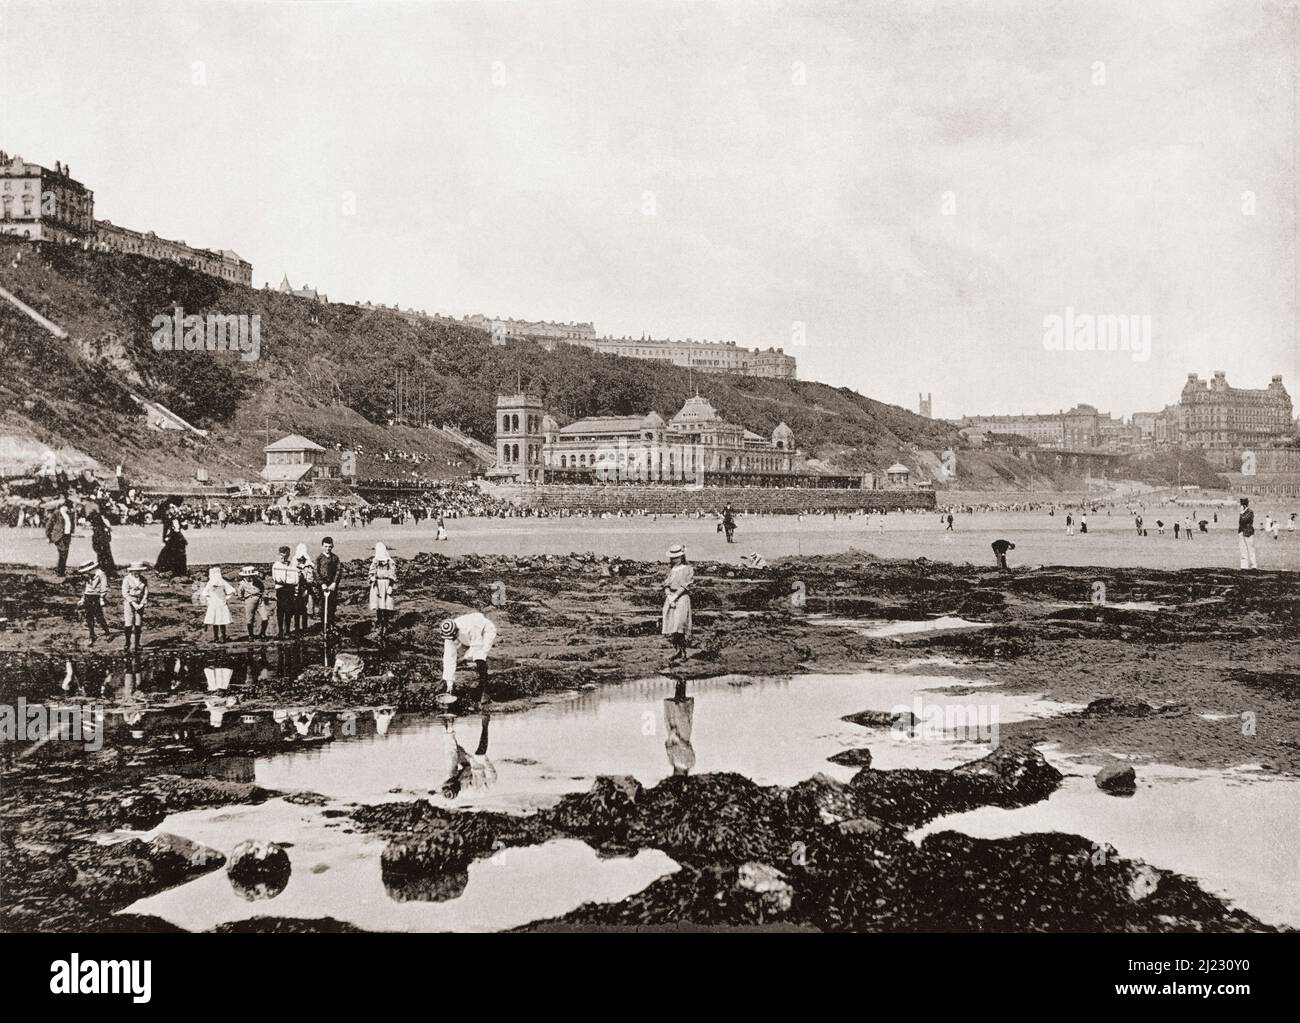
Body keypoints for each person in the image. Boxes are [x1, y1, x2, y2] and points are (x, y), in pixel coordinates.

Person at [439, 610, 497, 703]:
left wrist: (464, 658)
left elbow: (477, 646)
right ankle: (449, 688)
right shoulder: (448, 633)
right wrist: (449, 682)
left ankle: (485, 691)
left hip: (485, 631)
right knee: (454, 655)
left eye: (453, 637)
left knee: (479, 656)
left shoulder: (470, 627)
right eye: (451, 639)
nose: (452, 640)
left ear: (456, 630)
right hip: (466, 638)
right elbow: (449, 657)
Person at [661, 544, 693, 662]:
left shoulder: (688, 569)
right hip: (671, 598)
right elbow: (666, 584)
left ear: (682, 557)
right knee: (671, 625)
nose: (675, 560)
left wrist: (675, 597)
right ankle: (677, 651)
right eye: (673, 558)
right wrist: (669, 596)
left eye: (678, 557)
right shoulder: (672, 570)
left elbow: (686, 585)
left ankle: (683, 652)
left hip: (682, 597)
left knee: (680, 624)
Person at [75, 558, 112, 645]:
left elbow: (104, 587)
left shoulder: (101, 574)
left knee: (99, 616)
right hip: (88, 597)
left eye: (87, 571)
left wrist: (102, 598)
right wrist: (82, 599)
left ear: (91, 569)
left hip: (96, 597)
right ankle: (92, 635)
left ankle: (107, 633)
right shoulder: (88, 575)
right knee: (89, 617)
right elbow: (87, 589)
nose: (86, 573)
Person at [664, 677, 696, 776]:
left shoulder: (672, 763)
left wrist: (670, 738)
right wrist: (677, 739)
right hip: (683, 735)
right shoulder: (689, 763)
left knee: (674, 710)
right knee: (681, 710)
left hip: (673, 735)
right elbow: (687, 748)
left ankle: (679, 684)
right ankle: (682, 683)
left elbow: (668, 748)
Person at [369, 542, 397, 642]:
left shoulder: (390, 562)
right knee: (378, 606)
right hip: (377, 585)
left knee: (386, 606)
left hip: (386, 585)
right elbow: (372, 571)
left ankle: (385, 626)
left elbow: (392, 575)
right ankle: (379, 624)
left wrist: (390, 587)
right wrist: (372, 577)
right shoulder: (375, 561)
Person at [271, 545, 299, 639]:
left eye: (285, 556)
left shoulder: (292, 565)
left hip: (290, 590)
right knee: (281, 610)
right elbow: (277, 579)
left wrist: (289, 581)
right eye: (281, 556)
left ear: (288, 555)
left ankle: (287, 631)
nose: (283, 558)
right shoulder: (276, 565)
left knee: (289, 610)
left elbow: (295, 579)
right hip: (280, 590)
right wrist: (287, 580)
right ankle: (280, 631)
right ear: (279, 555)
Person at [201, 566, 236, 643]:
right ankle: (216, 637)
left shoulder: (222, 582)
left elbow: (231, 591)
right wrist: (210, 599)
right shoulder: (210, 583)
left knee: (221, 621)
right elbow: (205, 593)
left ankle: (222, 636)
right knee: (215, 621)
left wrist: (226, 598)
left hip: (220, 604)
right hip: (214, 604)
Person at [121, 560, 149, 652]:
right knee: (128, 623)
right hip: (129, 602)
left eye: (139, 571)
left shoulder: (143, 579)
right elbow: (125, 593)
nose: (137, 573)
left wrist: (142, 603)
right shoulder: (127, 579)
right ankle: (127, 643)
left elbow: (145, 592)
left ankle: (137, 643)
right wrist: (133, 603)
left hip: (140, 602)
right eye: (135, 571)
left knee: (138, 623)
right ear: (131, 571)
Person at [316, 537, 342, 632]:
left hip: (332, 585)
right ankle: (324, 624)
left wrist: (334, 583)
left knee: (332, 605)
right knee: (323, 606)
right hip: (322, 586)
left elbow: (338, 571)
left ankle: (331, 623)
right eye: (326, 546)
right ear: (322, 546)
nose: (328, 549)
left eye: (330, 547)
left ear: (332, 546)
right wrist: (322, 584)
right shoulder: (319, 558)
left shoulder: (335, 558)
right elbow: (316, 572)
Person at [45, 497, 76, 576]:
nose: (70, 509)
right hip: (59, 536)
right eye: (69, 507)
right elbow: (49, 524)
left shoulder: (69, 513)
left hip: (67, 536)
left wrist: (71, 531)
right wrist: (48, 536)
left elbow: (71, 524)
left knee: (65, 553)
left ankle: (61, 570)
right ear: (65, 506)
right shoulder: (57, 513)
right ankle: (60, 571)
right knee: (63, 552)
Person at [84, 503, 117, 577]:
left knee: (101, 554)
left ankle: (103, 568)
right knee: (106, 554)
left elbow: (87, 525)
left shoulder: (93, 516)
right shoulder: (102, 518)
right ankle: (109, 570)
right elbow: (109, 528)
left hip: (97, 537)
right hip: (103, 537)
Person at [238, 566, 270, 640]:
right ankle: (251, 635)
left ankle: (262, 634)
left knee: (265, 617)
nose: (249, 577)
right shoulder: (242, 584)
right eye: (247, 576)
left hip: (260, 600)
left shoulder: (258, 581)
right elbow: (240, 594)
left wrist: (264, 596)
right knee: (250, 619)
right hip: (249, 600)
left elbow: (262, 589)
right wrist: (245, 599)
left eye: (251, 576)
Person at [294, 543, 316, 633]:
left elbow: (311, 578)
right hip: (296, 590)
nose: (301, 559)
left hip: (306, 590)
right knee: (296, 610)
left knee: (304, 610)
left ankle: (304, 628)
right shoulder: (294, 565)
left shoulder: (309, 566)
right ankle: (297, 628)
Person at [1237, 497, 1257, 570]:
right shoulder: (1243, 512)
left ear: (1244, 505)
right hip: (1242, 532)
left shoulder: (1250, 512)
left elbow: (1244, 520)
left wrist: (1241, 513)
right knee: (1243, 550)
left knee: (1250, 550)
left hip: (1248, 533)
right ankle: (1244, 566)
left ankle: (1253, 566)